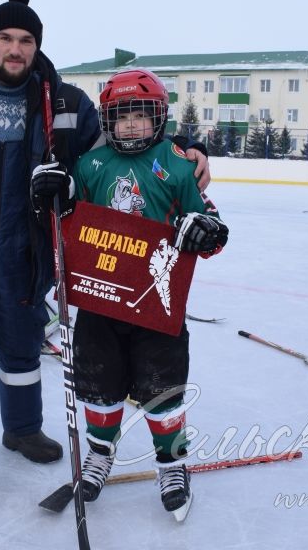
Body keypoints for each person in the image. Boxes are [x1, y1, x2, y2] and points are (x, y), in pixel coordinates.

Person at [0, 0, 213, 505]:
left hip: (28, 244)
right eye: (6, 38)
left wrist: (189, 150)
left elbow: (126, 140)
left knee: (21, 345)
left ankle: (21, 429)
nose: (15, 49)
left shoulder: (63, 101)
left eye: (25, 39)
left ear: (36, 45)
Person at [31, 69, 228, 521]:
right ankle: (100, 455)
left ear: (160, 118)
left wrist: (204, 230)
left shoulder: (178, 164)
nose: (133, 125)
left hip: (157, 305)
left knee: (164, 391)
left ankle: (172, 464)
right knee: (98, 388)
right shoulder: (91, 164)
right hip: (101, 301)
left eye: (143, 115)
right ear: (108, 122)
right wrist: (50, 191)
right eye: (123, 118)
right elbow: (65, 214)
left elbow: (213, 228)